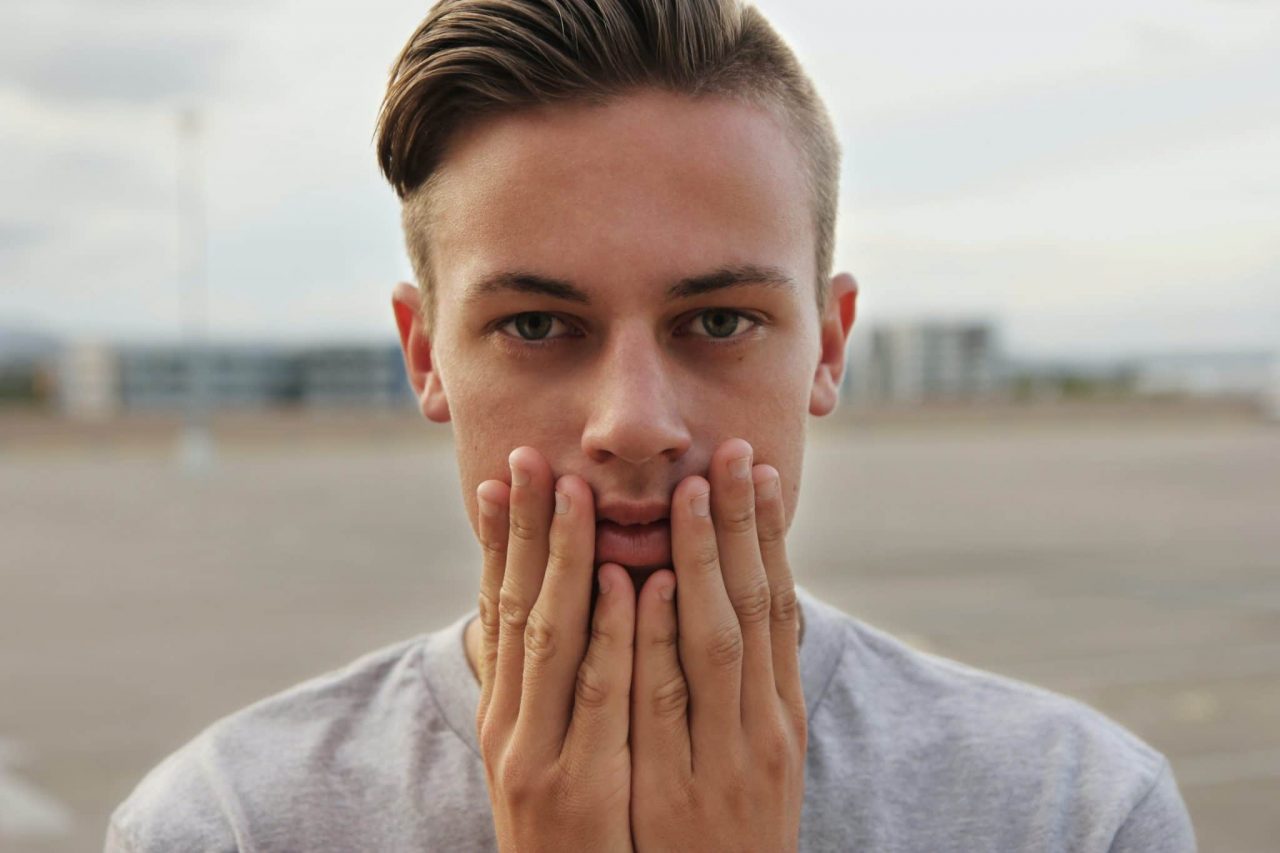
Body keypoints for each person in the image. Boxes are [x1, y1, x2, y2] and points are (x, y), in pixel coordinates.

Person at [105, 1, 1197, 850]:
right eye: (537, 323)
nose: (633, 424)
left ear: (826, 343)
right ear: (425, 351)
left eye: (717, 319)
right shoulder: (223, 825)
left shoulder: (1075, 811)